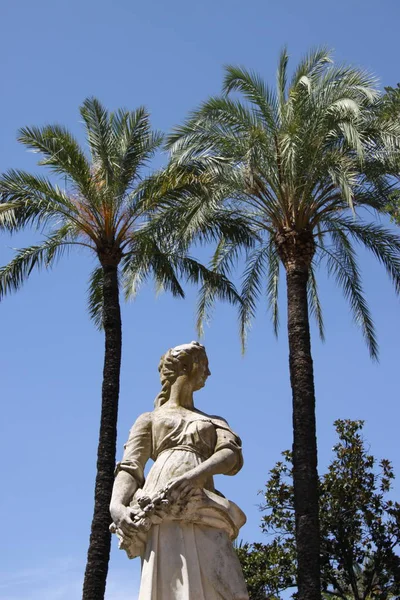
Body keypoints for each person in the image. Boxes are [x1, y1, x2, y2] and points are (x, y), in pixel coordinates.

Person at [110, 341, 249, 600]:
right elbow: (131, 467)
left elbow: (230, 456)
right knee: (171, 578)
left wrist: (195, 476)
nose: (208, 373)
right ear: (187, 366)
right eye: (204, 365)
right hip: (161, 505)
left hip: (202, 501)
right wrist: (117, 506)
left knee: (228, 581)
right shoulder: (149, 419)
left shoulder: (213, 420)